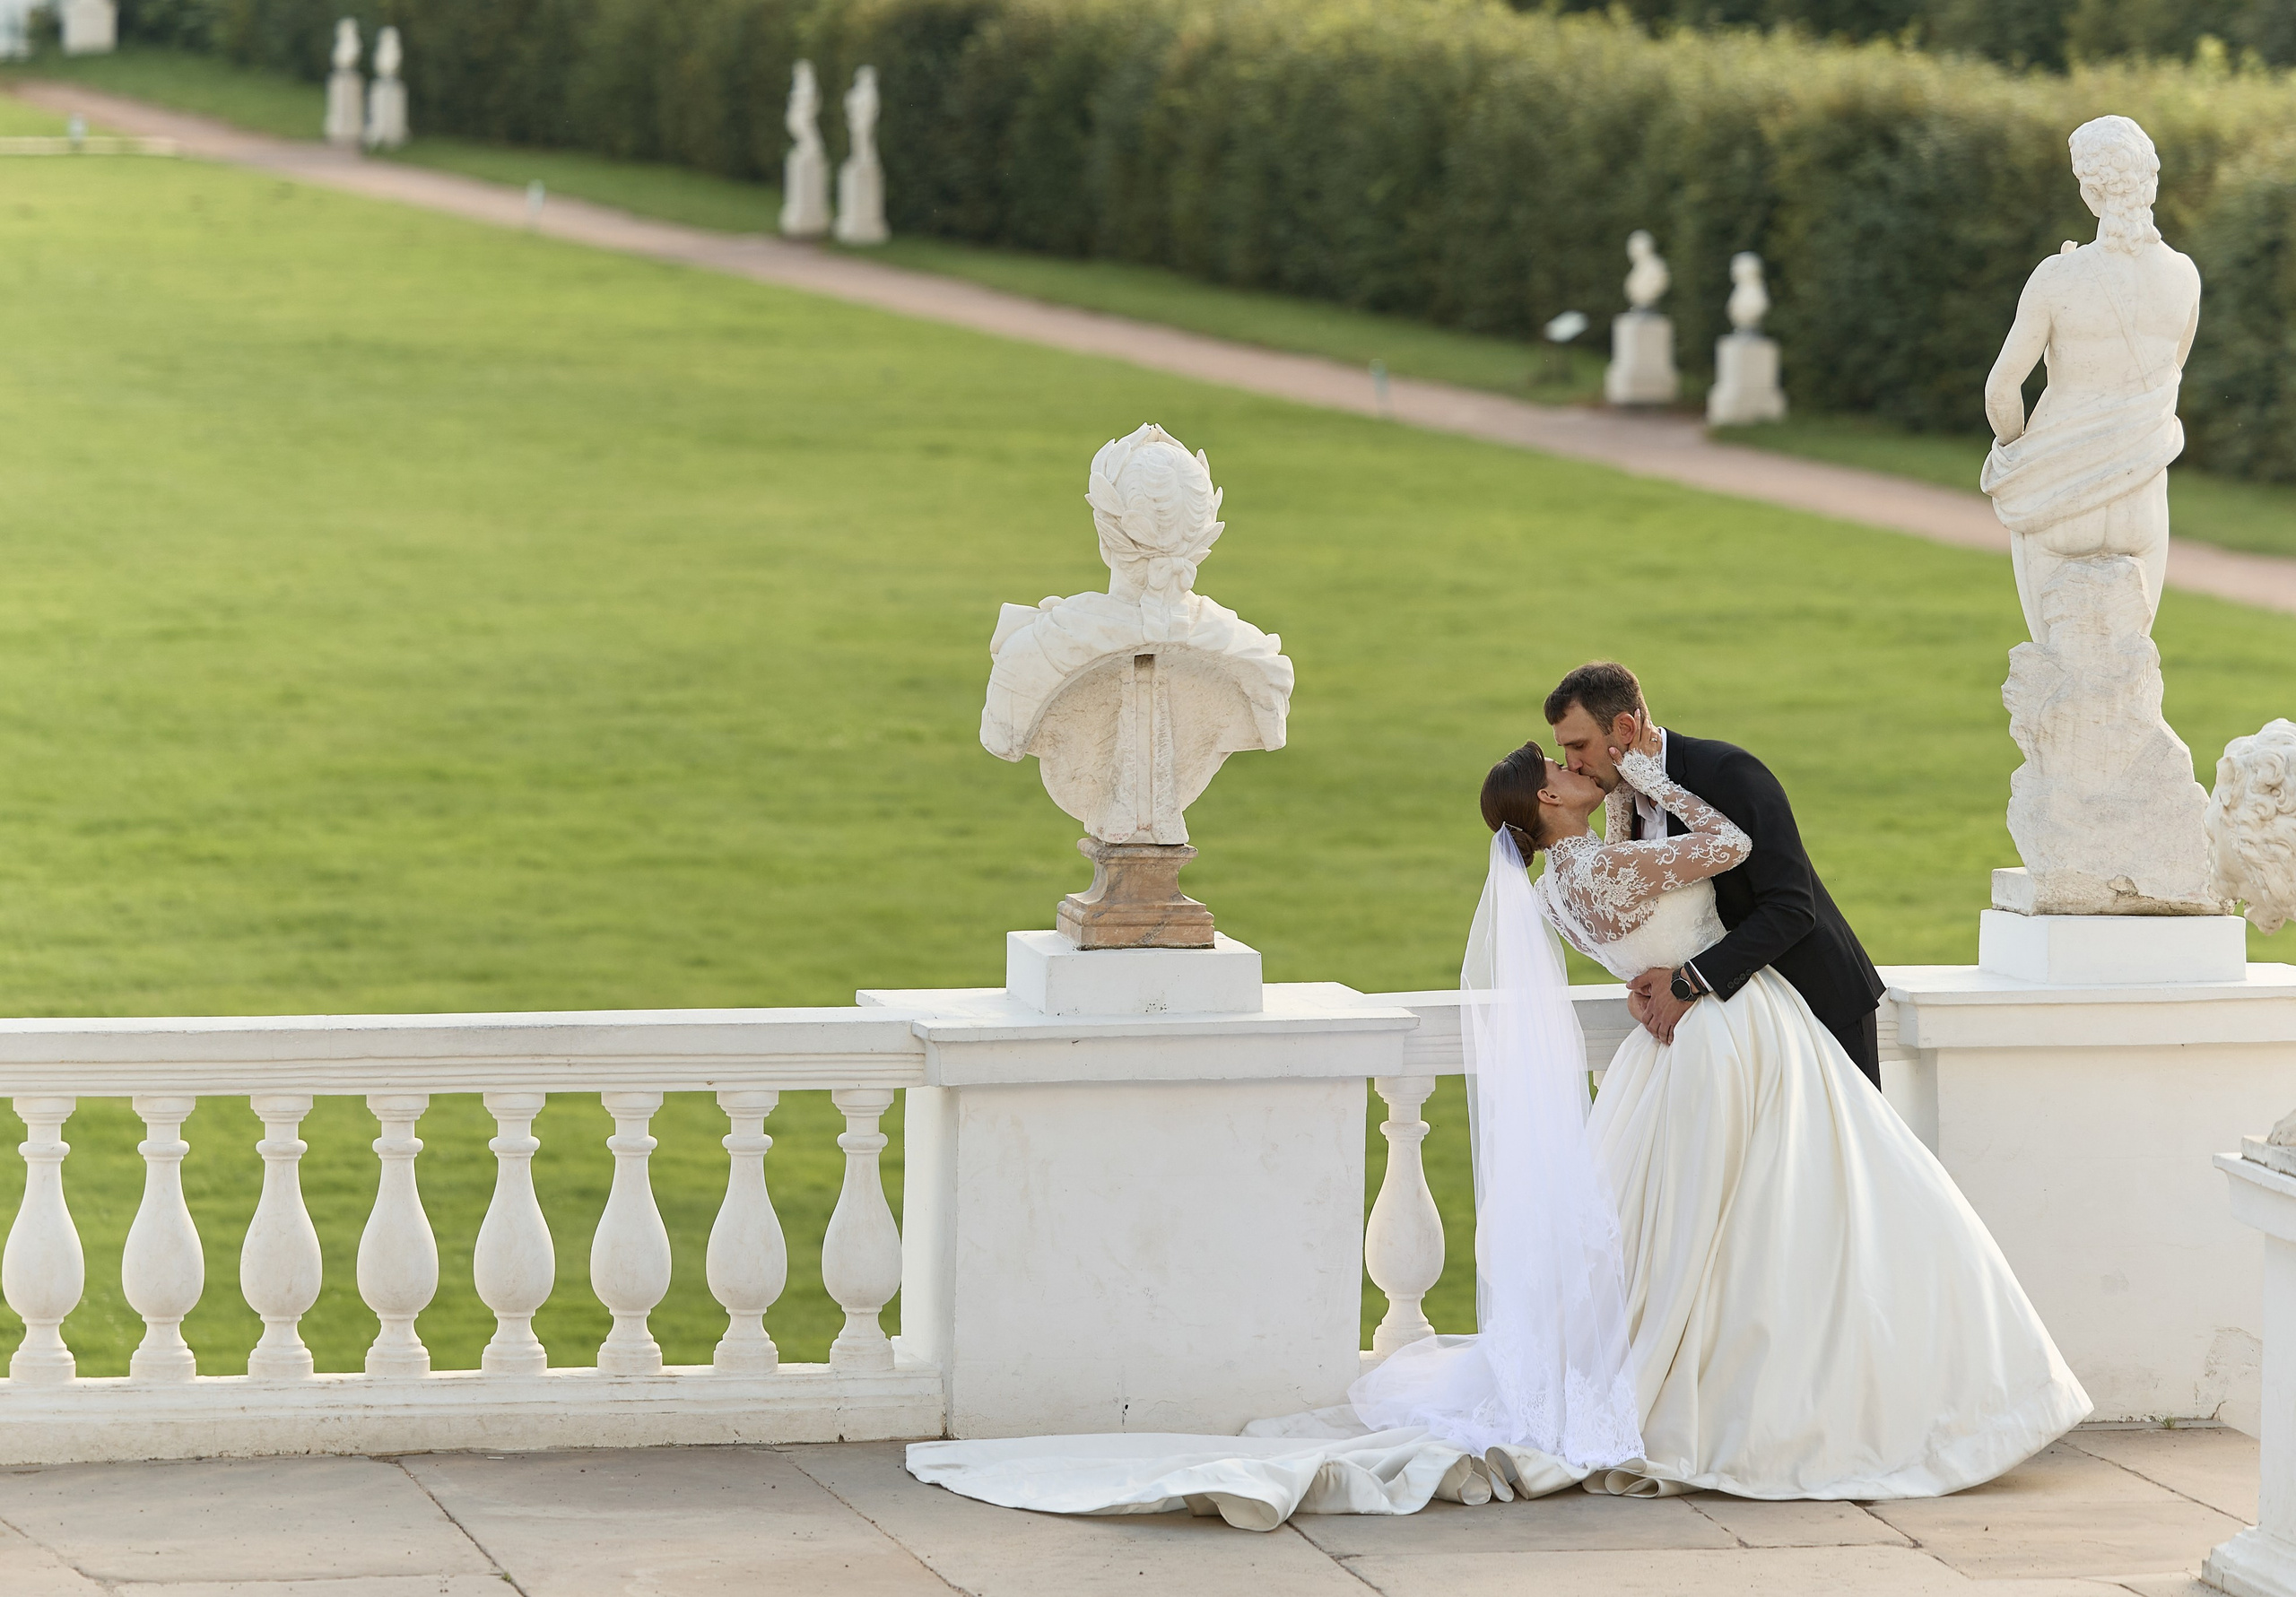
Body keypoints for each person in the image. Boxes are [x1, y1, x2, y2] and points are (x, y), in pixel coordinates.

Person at [1484, 733, 2090, 1496]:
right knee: (1809, 1207)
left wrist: (1628, 826)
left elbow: (1635, 925)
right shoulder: (1610, 867)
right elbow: (1729, 844)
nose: (1572, 768)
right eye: (1557, 768)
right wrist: (1648, 778)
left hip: (1667, 1049)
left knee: (1702, 1232)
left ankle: (1712, 1379)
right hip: (1729, 1030)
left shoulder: (1555, 891)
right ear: (1544, 798)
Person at [1544, 661, 1886, 1087]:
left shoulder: (1726, 772)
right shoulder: (1619, 802)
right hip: (1733, 1039)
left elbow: (1793, 908)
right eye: (1564, 751)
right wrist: (1647, 994)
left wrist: (1689, 982)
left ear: (1626, 728)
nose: (1572, 764)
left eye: (1579, 745)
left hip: (1818, 1007)